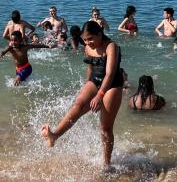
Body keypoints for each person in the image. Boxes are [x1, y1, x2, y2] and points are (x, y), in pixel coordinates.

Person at [40, 21, 125, 168]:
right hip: (95, 81)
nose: (87, 42)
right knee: (78, 104)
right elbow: (91, 69)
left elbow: (110, 74)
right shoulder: (87, 48)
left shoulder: (111, 46)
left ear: (100, 33)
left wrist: (99, 95)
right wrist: (87, 85)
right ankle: (54, 136)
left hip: (112, 85)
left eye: (91, 38)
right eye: (85, 40)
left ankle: (107, 164)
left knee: (105, 128)